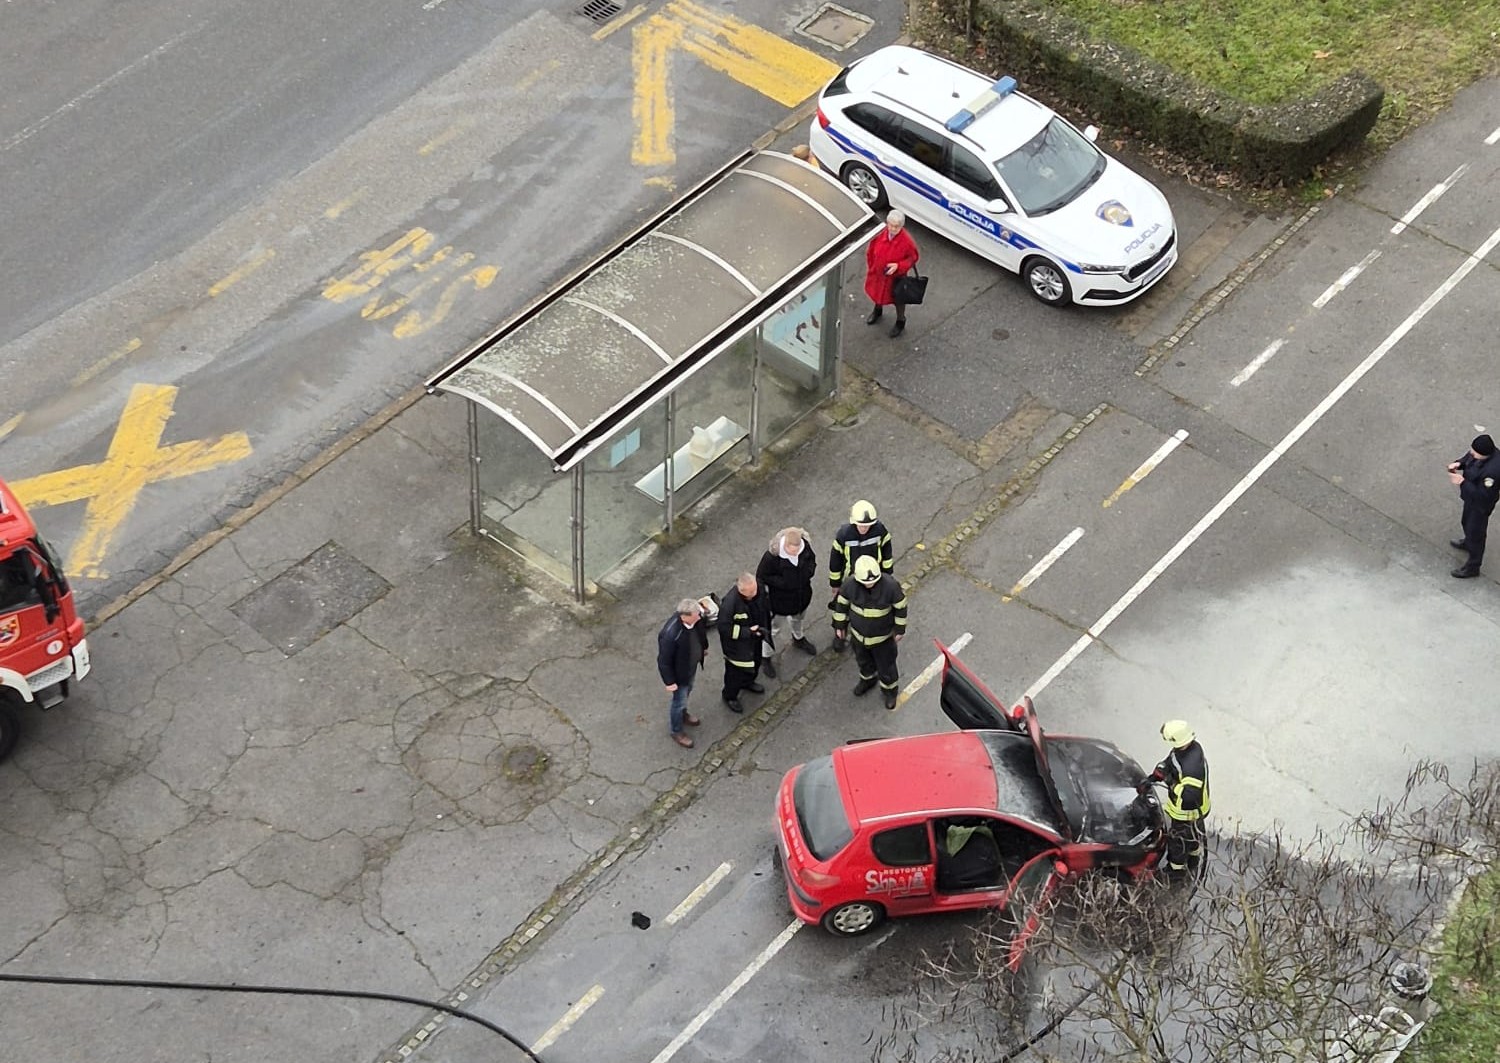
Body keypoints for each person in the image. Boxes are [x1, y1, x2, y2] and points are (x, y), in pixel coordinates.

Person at [831, 555, 908, 709]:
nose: (870, 584)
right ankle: (868, 680)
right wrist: (840, 626)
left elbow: (901, 607)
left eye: (873, 581)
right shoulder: (849, 586)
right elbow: (841, 606)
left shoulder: (890, 586)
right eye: (866, 582)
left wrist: (899, 630)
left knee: (886, 667)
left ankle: (890, 691)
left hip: (883, 640)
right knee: (863, 662)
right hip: (859, 638)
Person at [1139, 720, 1210, 880]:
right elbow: (1171, 761)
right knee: (1194, 835)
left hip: (1187, 811)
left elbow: (1189, 796)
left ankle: (1176, 870)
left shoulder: (1191, 767)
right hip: (1198, 809)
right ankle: (1193, 858)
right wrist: (1156, 775)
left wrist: (1170, 782)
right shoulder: (1190, 748)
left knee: (1178, 840)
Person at [828, 500, 894, 653]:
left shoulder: (880, 531)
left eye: (868, 525)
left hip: (873, 577)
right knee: (841, 606)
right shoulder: (844, 535)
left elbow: (886, 552)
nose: (864, 528)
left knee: (870, 606)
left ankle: (867, 632)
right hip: (850, 579)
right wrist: (835, 583)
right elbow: (835, 560)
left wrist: (887, 574)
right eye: (861, 525)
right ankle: (840, 634)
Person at [755, 527, 818, 679]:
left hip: (801, 597)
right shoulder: (772, 557)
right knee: (773, 629)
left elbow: (812, 563)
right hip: (779, 601)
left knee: (798, 620)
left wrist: (804, 575)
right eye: (792, 549)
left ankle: (798, 638)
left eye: (798, 549)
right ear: (786, 545)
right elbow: (761, 576)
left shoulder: (805, 548)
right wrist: (785, 583)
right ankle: (765, 656)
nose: (796, 552)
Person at [1447, 433, 1500, 578]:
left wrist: (1462, 482)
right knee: (1466, 522)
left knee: (1476, 533)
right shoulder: (1481, 453)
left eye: (1475, 452)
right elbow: (1469, 458)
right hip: (1471, 500)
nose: (1471, 453)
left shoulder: (1492, 472)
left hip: (1480, 506)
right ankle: (1467, 542)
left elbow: (1483, 495)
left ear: (1485, 454)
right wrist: (1459, 463)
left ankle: (1473, 566)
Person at [656, 598, 708, 749]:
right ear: (685, 616)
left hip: (689, 668)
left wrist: (703, 648)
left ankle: (683, 714)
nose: (700, 616)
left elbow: (701, 635)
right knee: (678, 701)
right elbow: (663, 661)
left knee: (686, 694)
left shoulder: (695, 620)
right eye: (697, 614)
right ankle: (676, 730)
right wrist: (669, 682)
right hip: (679, 675)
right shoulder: (671, 634)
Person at [719, 572, 770, 714]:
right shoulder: (729, 604)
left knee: (755, 664)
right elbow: (725, 629)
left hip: (755, 639)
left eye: (755, 589)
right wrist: (747, 632)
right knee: (734, 675)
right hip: (737, 648)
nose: (755, 593)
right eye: (751, 592)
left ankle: (748, 683)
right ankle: (730, 696)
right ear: (741, 591)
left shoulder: (758, 589)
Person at [864, 210, 920, 338]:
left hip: (896, 278)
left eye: (897, 226)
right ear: (887, 223)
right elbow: (870, 251)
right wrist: (872, 266)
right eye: (891, 225)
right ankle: (877, 311)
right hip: (879, 274)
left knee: (898, 300)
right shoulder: (879, 234)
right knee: (878, 293)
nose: (893, 228)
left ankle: (900, 321)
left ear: (901, 226)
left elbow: (913, 258)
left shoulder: (907, 241)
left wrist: (898, 266)